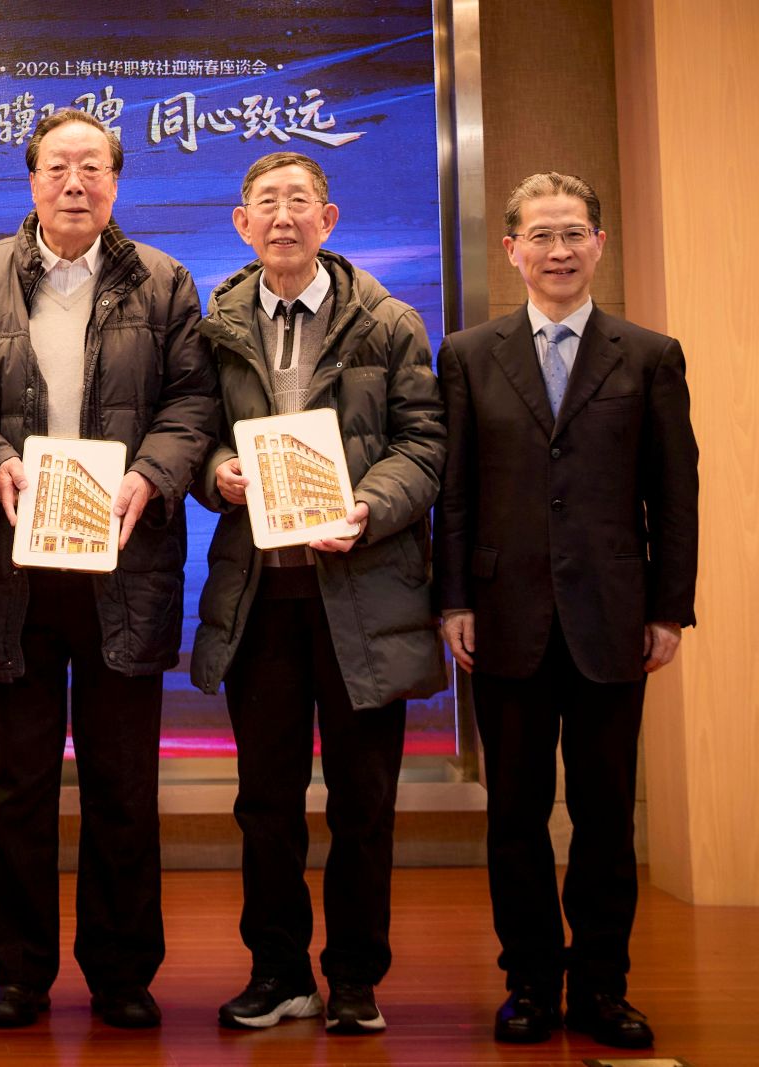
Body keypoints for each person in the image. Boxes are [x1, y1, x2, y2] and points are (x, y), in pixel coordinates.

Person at [0, 109, 215, 1030]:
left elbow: (194, 399)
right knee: (16, 781)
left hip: (125, 561)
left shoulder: (165, 282)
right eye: (57, 167)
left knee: (124, 782)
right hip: (11, 564)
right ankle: (19, 972)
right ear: (31, 180)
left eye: (92, 167)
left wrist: (150, 474)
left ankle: (122, 972)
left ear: (116, 182)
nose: (74, 182)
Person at [435, 172, 698, 1050]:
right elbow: (456, 492)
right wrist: (454, 598)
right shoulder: (468, 354)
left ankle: (602, 987)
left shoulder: (650, 355)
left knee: (605, 814)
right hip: (502, 614)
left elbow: (676, 494)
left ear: (599, 245)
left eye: (573, 233)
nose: (558, 251)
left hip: (614, 617)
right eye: (540, 236)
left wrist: (670, 608)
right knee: (514, 814)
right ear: (511, 249)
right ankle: (530, 984)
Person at [191, 151, 446, 1035]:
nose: (283, 217)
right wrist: (217, 472)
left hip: (364, 593)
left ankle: (354, 977)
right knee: (265, 800)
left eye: (300, 201)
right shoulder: (215, 328)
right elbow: (193, 434)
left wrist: (370, 507)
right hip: (261, 596)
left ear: (328, 220)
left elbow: (426, 443)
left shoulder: (389, 322)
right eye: (266, 203)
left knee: (362, 800)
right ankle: (278, 972)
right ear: (242, 224)